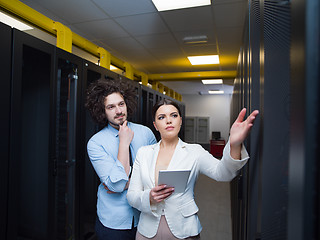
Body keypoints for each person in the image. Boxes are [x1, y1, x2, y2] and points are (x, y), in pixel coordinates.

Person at [127, 99, 259, 240]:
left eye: (174, 115)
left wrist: (235, 143)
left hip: (184, 229)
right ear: (155, 125)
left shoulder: (194, 151)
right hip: (147, 230)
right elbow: (132, 195)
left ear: (181, 121)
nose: (169, 121)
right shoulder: (144, 153)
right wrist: (149, 198)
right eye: (161, 117)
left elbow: (223, 173)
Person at [85, 78, 157, 240]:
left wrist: (126, 183)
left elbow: (156, 173)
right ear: (102, 111)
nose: (118, 111)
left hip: (145, 215)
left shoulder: (145, 133)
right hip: (114, 221)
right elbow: (117, 185)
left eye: (121, 104)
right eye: (111, 107)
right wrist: (124, 144)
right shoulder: (96, 143)